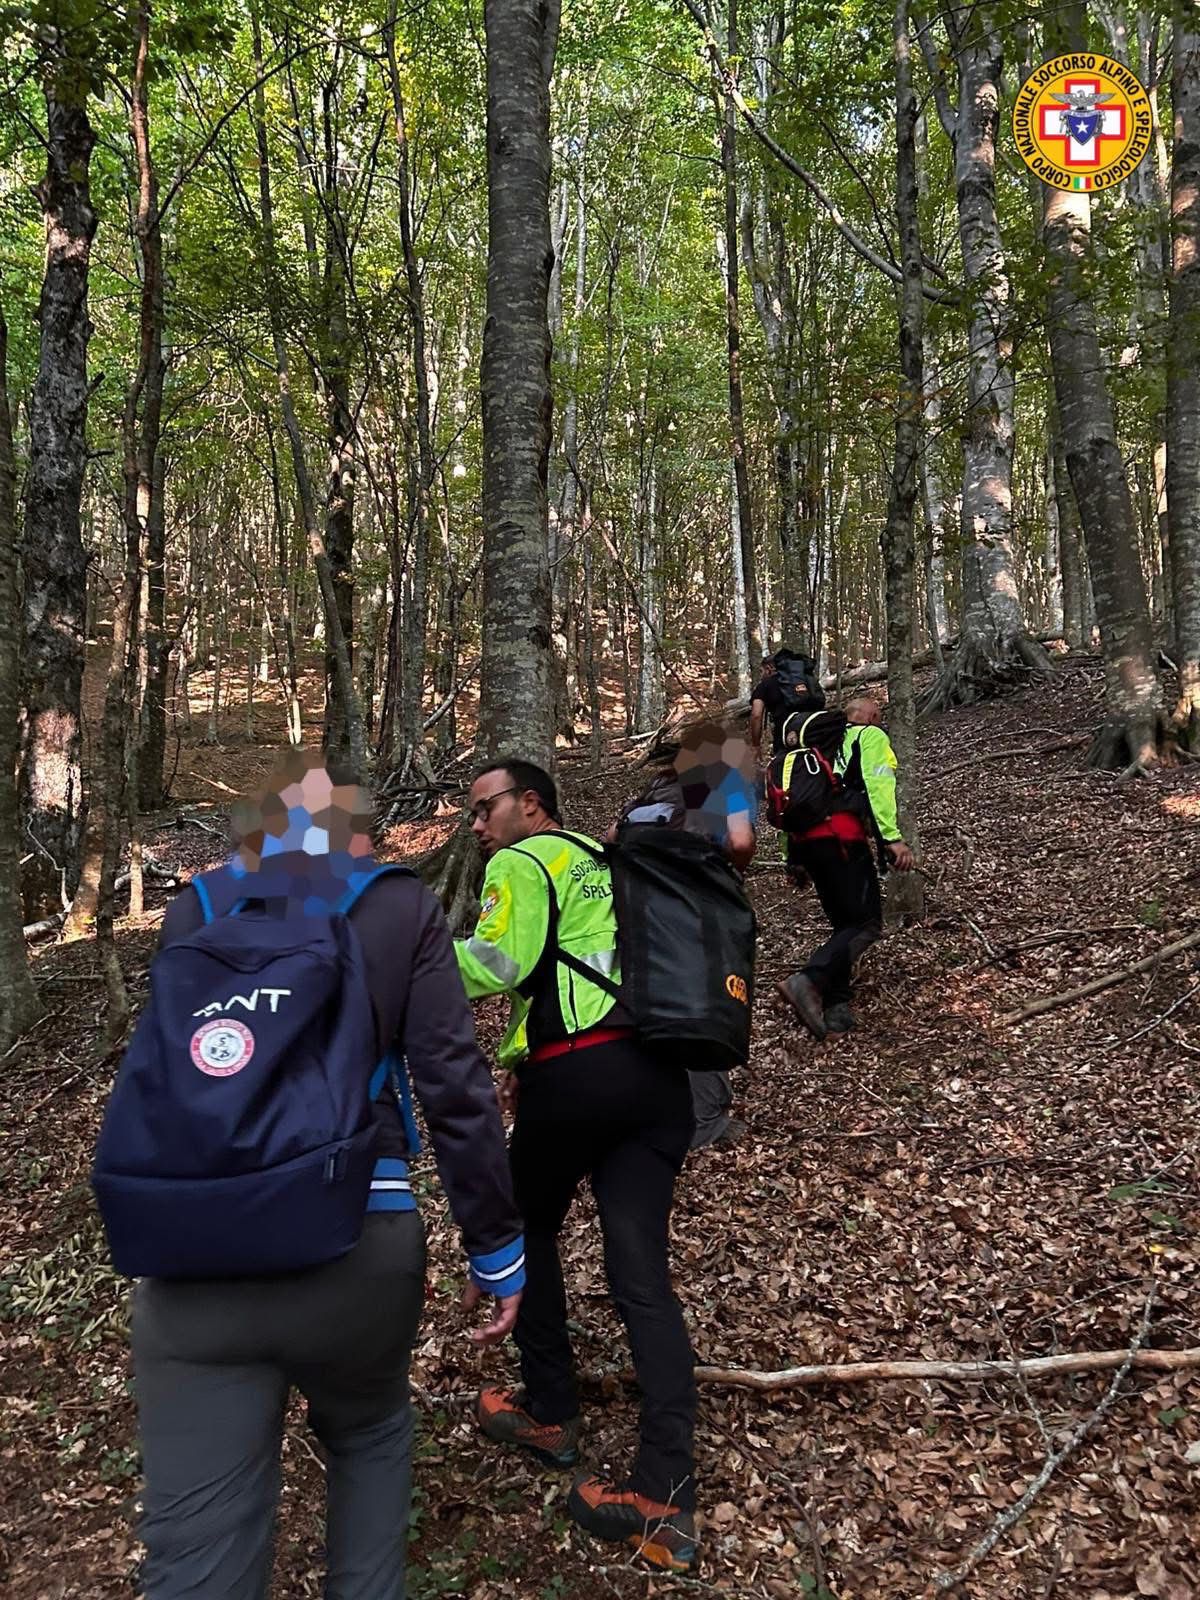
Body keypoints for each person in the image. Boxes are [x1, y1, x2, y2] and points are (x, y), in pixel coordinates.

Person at [125, 752, 523, 1600]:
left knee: (195, 1558)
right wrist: (496, 1250)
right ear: (357, 832)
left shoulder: (195, 908)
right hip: (358, 1239)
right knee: (369, 1432)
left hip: (194, 1257)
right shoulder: (394, 903)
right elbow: (455, 1087)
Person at [455, 760, 698, 1573]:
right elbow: (571, 973)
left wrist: (404, 959)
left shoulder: (522, 860)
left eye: (485, 809)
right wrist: (519, 1055)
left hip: (580, 1076)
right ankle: (666, 1494)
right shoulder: (610, 858)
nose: (477, 827)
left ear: (531, 805)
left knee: (523, 1227)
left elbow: (499, 964)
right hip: (660, 1079)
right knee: (642, 1276)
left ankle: (552, 1411)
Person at [611, 722, 756, 1149]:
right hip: (699, 913)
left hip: (643, 915)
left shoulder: (655, 790)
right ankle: (706, 1121)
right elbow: (741, 842)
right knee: (704, 1001)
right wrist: (727, 877)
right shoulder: (727, 783)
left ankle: (647, 1107)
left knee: (651, 1000)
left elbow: (612, 839)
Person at [776, 704, 914, 1039]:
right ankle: (809, 980)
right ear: (872, 717)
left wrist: (792, 857)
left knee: (844, 925)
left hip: (807, 843)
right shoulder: (869, 736)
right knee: (866, 924)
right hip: (841, 839)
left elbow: (789, 803)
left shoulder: (811, 750)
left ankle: (837, 1009)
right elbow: (878, 785)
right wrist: (891, 838)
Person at [749, 646, 823, 757]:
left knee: (785, 765)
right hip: (814, 734)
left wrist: (756, 745)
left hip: (784, 738)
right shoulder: (806, 680)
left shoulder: (765, 685)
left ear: (769, 669)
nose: (761, 675)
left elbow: (756, 715)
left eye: (762, 671)